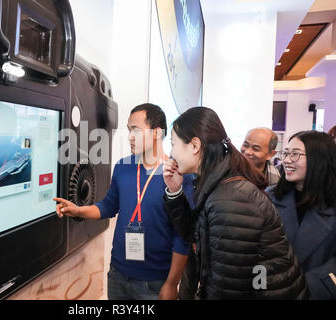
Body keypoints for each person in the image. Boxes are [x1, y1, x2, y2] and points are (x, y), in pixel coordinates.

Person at [162, 106, 309, 299]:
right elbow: (195, 234)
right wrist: (175, 191)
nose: (171, 153)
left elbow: (229, 289)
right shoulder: (215, 182)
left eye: (173, 143)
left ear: (195, 146)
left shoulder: (230, 199)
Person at [54, 103, 194, 300]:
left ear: (156, 133)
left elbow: (183, 236)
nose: (129, 137)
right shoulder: (123, 167)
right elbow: (108, 206)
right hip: (118, 274)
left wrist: (172, 283)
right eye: (128, 130)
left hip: (154, 282)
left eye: (136, 130)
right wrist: (79, 211)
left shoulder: (178, 174)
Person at [266, 131, 336, 299]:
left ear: (319, 159)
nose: (287, 160)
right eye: (286, 153)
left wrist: (310, 287)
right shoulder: (269, 198)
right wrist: (259, 286)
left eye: (295, 154)